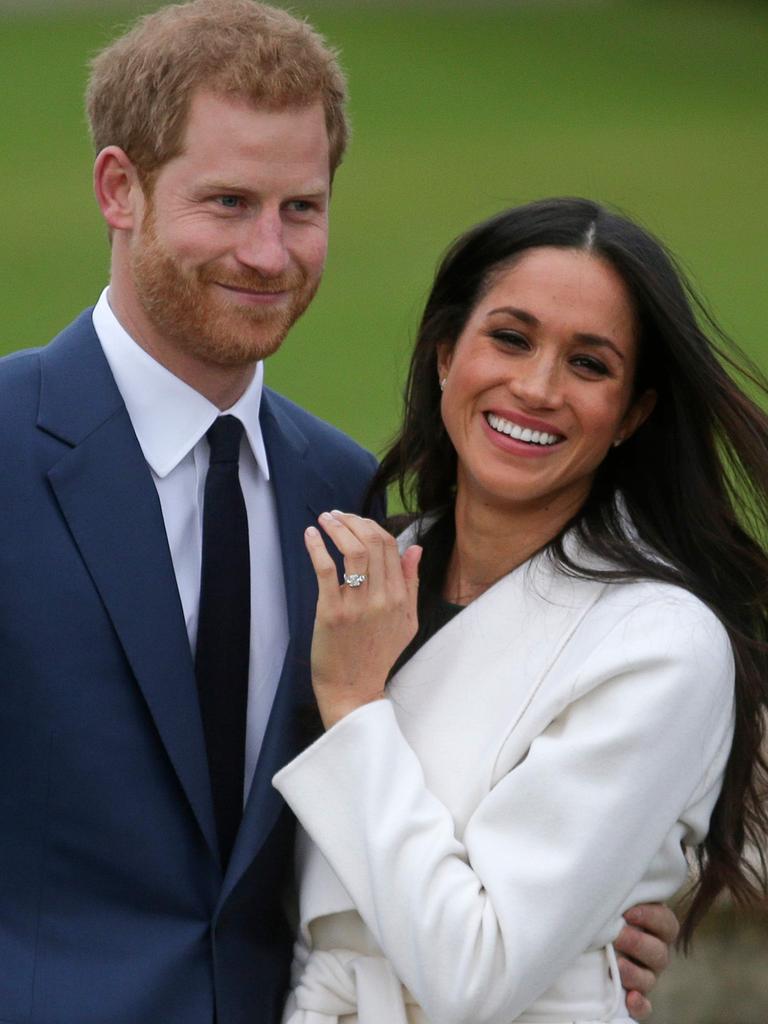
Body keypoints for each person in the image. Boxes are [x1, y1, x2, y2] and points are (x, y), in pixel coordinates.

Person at [0, 0, 673, 1018]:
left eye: (301, 208)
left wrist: (594, 913)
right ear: (119, 189)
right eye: (227, 203)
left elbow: (418, 802)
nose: (270, 254)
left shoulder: (355, 496)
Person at [274, 198, 768, 1023]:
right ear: (444, 355)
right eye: (510, 338)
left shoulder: (660, 643)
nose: (536, 388)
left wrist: (358, 709)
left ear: (632, 415)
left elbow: (478, 974)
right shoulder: (367, 580)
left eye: (589, 364)